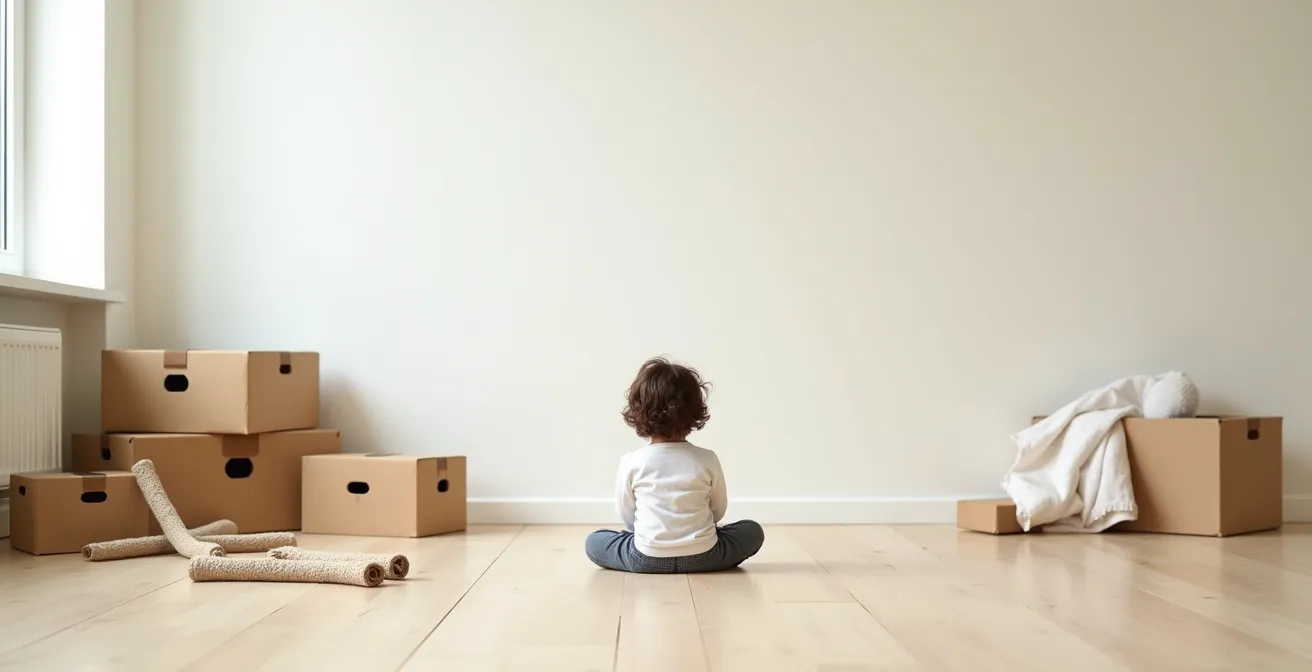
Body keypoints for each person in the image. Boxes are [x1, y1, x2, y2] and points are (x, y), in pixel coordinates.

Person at [585, 356, 764, 573]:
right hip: (704, 556)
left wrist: (643, 533)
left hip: (645, 556)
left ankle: (650, 545)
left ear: (638, 411)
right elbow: (718, 510)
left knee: (594, 542)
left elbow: (626, 512)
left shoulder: (631, 461)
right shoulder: (707, 459)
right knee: (752, 531)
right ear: (695, 410)